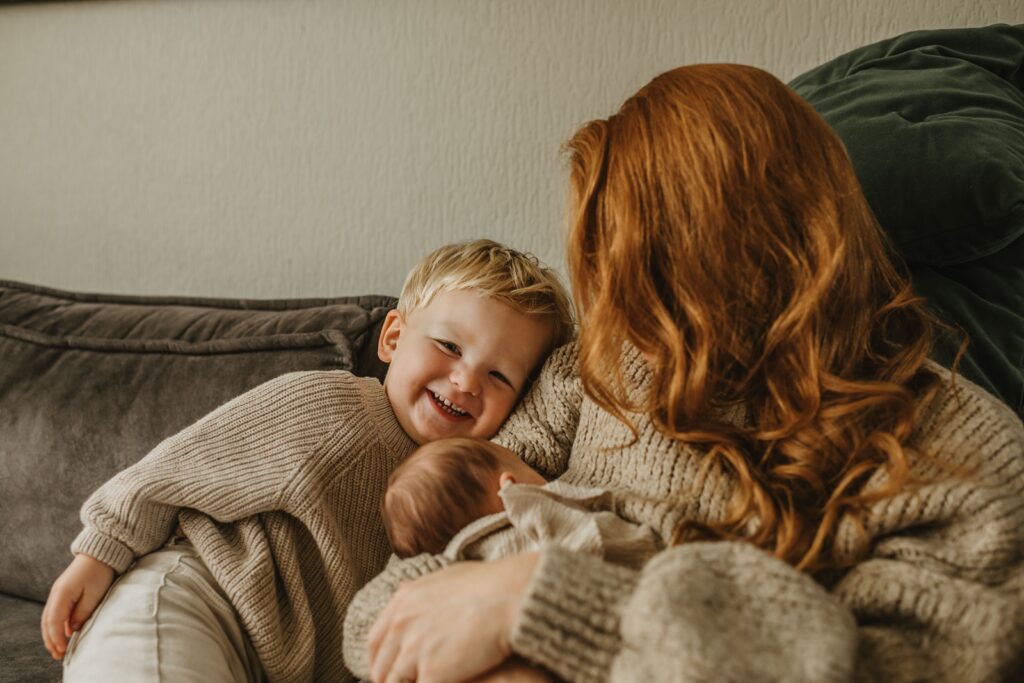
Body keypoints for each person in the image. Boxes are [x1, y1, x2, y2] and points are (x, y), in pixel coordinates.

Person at [343, 64, 1024, 683]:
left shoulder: (964, 459)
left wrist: (541, 599)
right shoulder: (597, 367)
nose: (614, 305)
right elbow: (404, 577)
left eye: (635, 268)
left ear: (734, 251)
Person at [40, 238, 575, 683]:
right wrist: (99, 555)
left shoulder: (476, 484)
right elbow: (174, 470)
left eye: (499, 376)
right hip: (196, 599)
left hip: (270, 667)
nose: (466, 381)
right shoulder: (329, 404)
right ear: (393, 337)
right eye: (450, 347)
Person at [382, 437, 659, 567]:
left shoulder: (461, 566)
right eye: (523, 463)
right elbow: (600, 538)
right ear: (511, 485)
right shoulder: (530, 511)